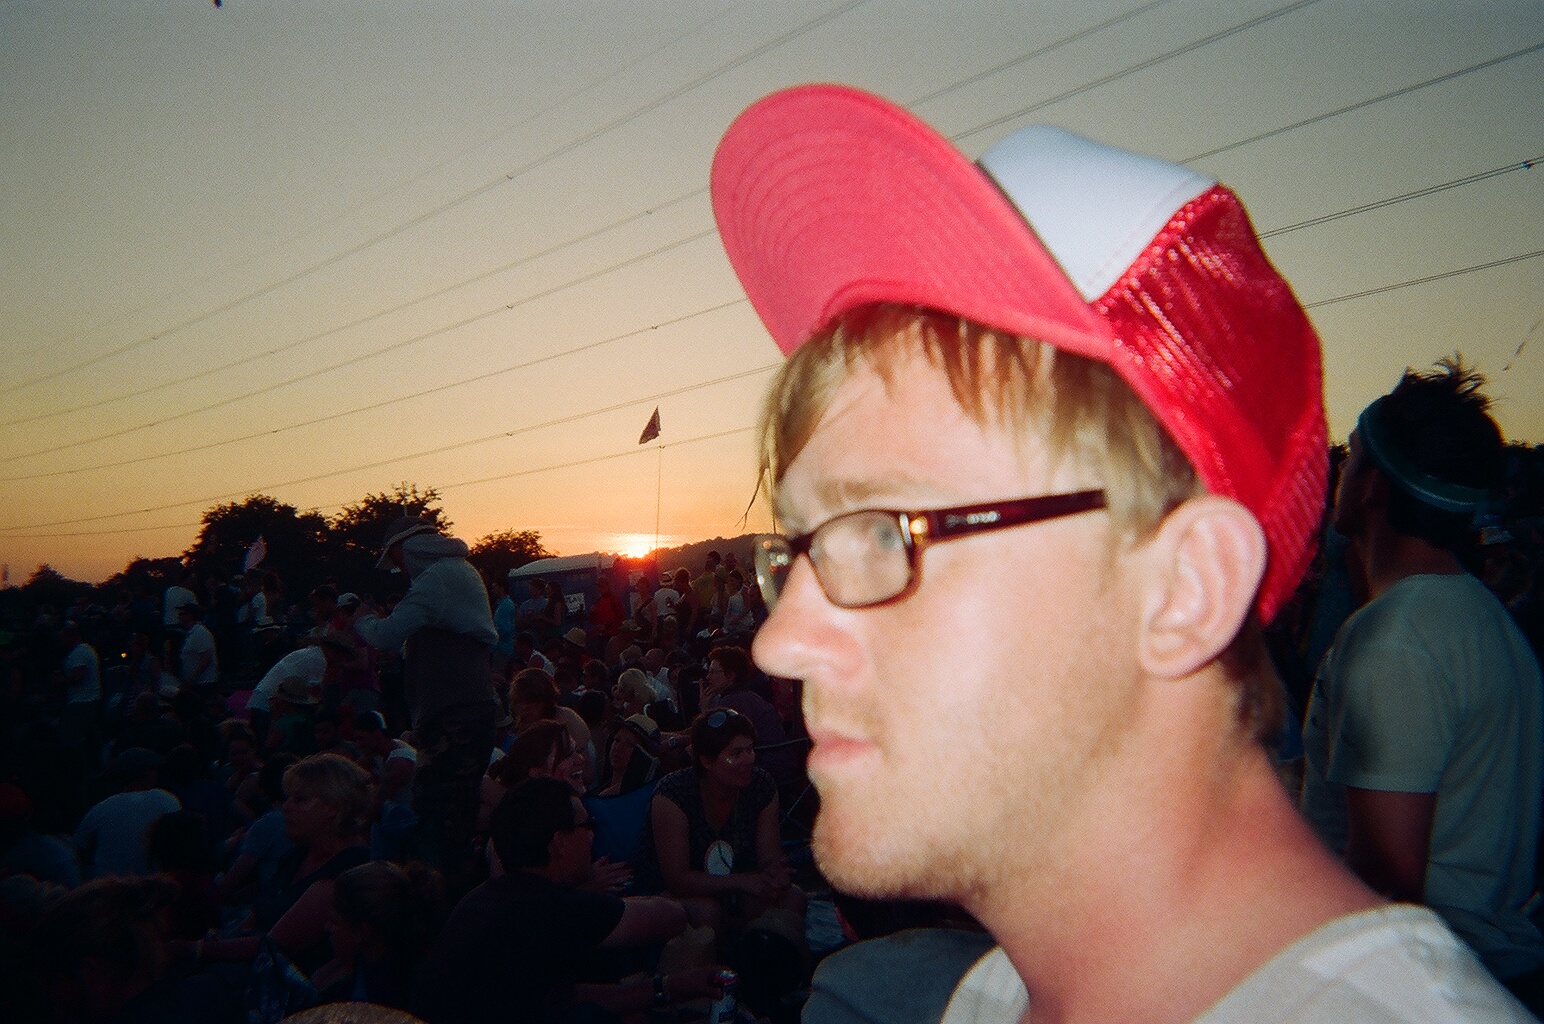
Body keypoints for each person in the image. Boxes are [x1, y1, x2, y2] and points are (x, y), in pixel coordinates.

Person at [708, 84, 1532, 1020]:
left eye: (880, 531)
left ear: (1184, 588)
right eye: (800, 549)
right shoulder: (991, 1000)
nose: (780, 642)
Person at [1300, 359, 1544, 999]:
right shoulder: (1483, 618)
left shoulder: (1396, 641)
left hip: (1418, 989)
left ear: (1374, 487)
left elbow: (1388, 882)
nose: (1338, 473)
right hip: (1480, 978)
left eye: (1352, 456)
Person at [414, 776, 727, 1024]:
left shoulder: (482, 900)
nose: (592, 836)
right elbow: (669, 918)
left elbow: (562, 997)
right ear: (560, 843)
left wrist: (670, 987)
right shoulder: (551, 907)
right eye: (586, 826)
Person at [354, 515, 500, 893]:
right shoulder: (458, 572)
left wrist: (362, 621)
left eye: (399, 560)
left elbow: (386, 636)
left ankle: (439, 904)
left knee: (438, 820)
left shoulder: (437, 579)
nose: (401, 570)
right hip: (465, 709)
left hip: (453, 715)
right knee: (456, 817)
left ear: (411, 549)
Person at [632, 709, 803, 942]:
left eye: (750, 749)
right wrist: (744, 882)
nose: (749, 759)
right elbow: (679, 881)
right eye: (736, 753)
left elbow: (769, 857)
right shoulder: (673, 795)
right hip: (670, 893)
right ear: (707, 761)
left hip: (735, 886)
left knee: (793, 898)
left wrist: (775, 874)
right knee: (707, 912)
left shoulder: (761, 786)